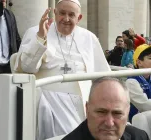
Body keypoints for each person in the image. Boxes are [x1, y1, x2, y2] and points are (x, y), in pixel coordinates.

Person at [14, 0, 110, 139]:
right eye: (62, 13)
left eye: (71, 15)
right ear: (54, 13)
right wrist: (41, 38)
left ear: (79, 18)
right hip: (48, 103)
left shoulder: (89, 37)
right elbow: (27, 68)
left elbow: (103, 75)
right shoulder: (35, 31)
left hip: (83, 103)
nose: (66, 19)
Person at [63, 77, 150, 140]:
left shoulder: (139, 137)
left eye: (117, 113)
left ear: (127, 111)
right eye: (101, 112)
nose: (109, 123)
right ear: (87, 109)